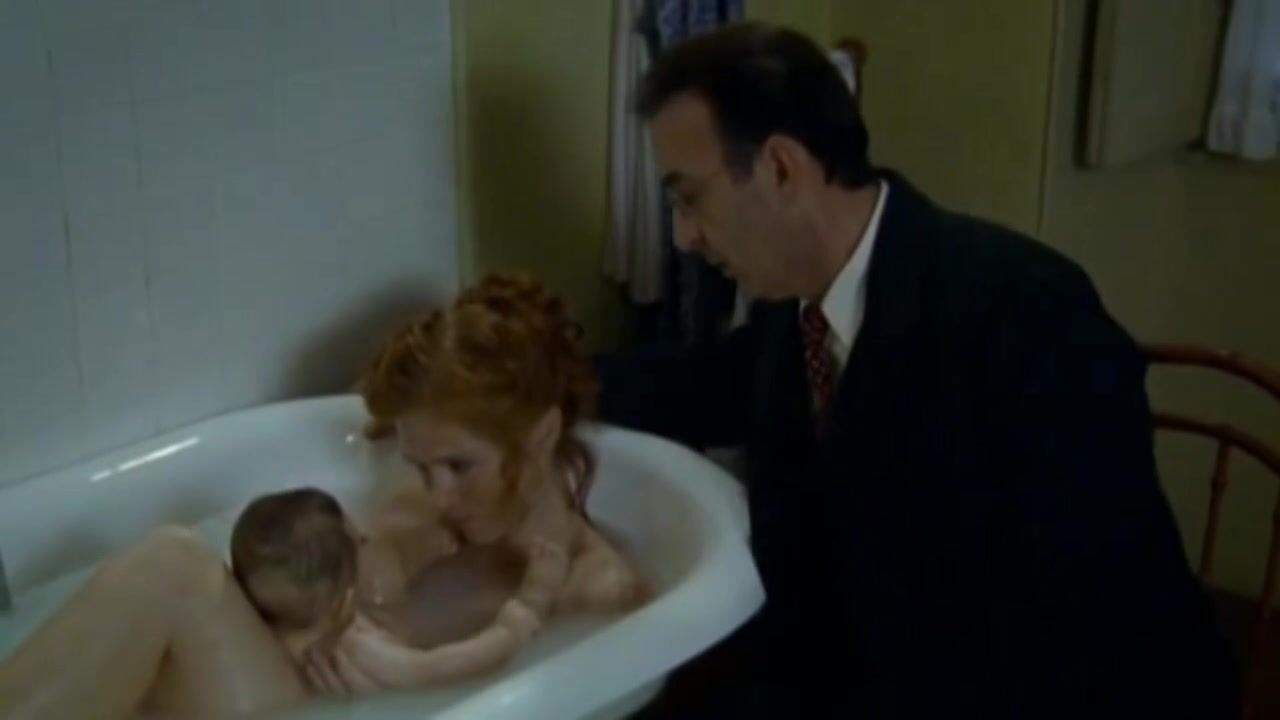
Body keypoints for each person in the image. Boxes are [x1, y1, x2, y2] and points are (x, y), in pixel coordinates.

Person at [597, 22, 1237, 718]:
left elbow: (1083, 619)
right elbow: (703, 383)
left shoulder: (1027, 315)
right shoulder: (796, 306)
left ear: (781, 168)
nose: (684, 236)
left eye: (689, 197)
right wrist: (539, 381)